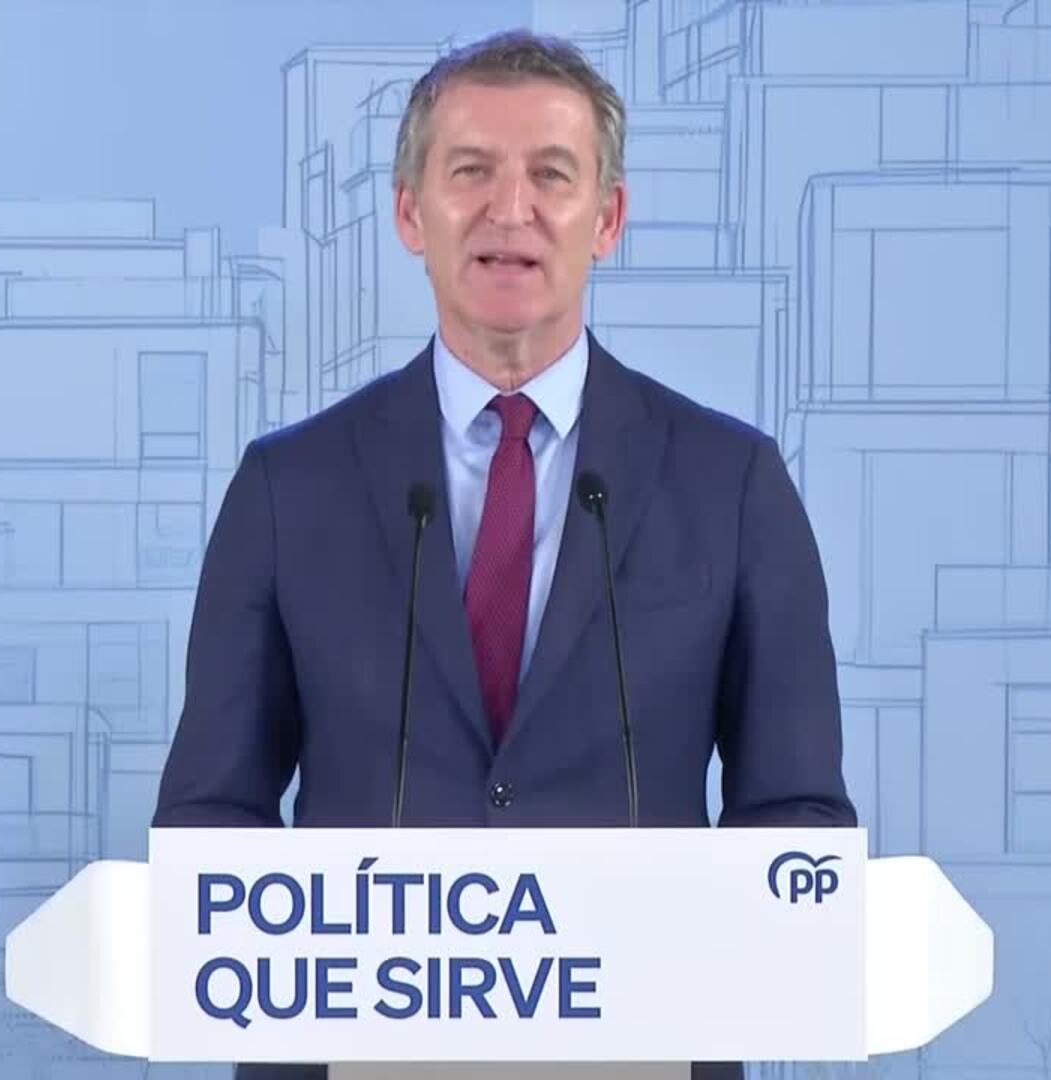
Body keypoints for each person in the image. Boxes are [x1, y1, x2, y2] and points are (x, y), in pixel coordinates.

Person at [153, 28, 856, 1080]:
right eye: (471, 171)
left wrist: (700, 978)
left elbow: (796, 815)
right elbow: (212, 811)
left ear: (607, 218)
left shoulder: (734, 484)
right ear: (410, 213)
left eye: (552, 176)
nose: (509, 210)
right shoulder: (286, 488)